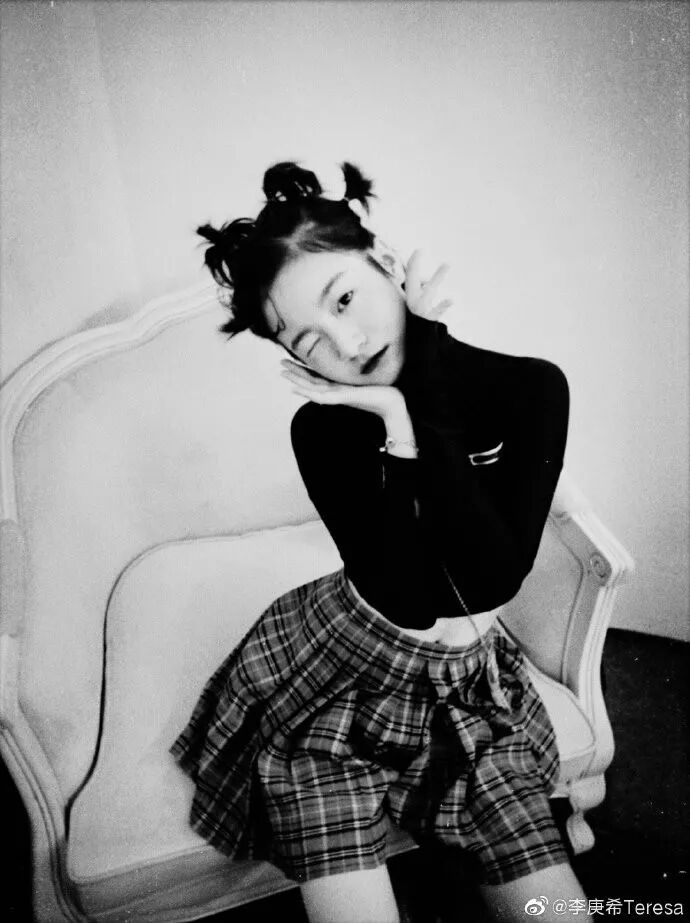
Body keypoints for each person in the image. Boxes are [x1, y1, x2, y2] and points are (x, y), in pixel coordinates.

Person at [171, 161, 591, 922]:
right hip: (336, 671)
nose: (348, 341)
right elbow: (408, 595)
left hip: (467, 683)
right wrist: (395, 427)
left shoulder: (530, 388)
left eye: (345, 299)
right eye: (309, 338)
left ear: (387, 264)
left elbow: (489, 575)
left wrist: (413, 394)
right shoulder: (320, 429)